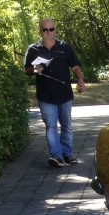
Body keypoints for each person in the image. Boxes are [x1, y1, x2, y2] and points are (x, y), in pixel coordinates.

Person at [25, 18, 86, 168]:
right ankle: (56, 156)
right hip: (45, 95)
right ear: (40, 31)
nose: (48, 33)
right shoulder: (33, 49)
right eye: (44, 30)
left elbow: (75, 66)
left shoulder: (65, 47)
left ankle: (67, 154)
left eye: (51, 29)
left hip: (64, 93)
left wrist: (80, 80)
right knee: (51, 126)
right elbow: (27, 70)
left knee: (66, 125)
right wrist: (34, 70)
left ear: (55, 30)